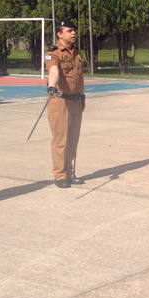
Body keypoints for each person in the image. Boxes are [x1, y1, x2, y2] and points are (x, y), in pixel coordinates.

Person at [45, 20, 85, 188]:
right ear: (60, 34)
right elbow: (53, 71)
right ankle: (60, 175)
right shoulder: (53, 53)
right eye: (69, 31)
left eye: (74, 30)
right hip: (60, 100)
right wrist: (51, 86)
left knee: (73, 140)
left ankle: (70, 172)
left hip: (76, 100)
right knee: (61, 140)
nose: (73, 33)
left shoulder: (76, 52)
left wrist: (82, 96)